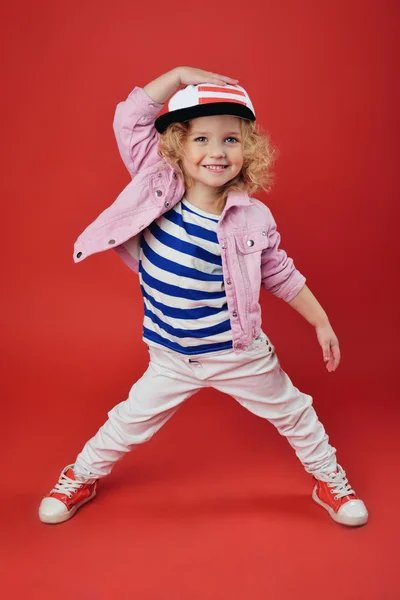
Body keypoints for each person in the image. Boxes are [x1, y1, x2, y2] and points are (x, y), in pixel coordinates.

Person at [38, 66, 368, 527]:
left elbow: (280, 273)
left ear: (248, 149)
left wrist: (321, 321)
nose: (217, 151)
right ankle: (82, 475)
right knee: (129, 421)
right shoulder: (156, 185)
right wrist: (176, 77)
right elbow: (128, 119)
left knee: (296, 413)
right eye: (202, 139)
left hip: (239, 353)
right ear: (175, 146)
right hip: (171, 354)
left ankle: (328, 480)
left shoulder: (253, 218)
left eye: (231, 139)